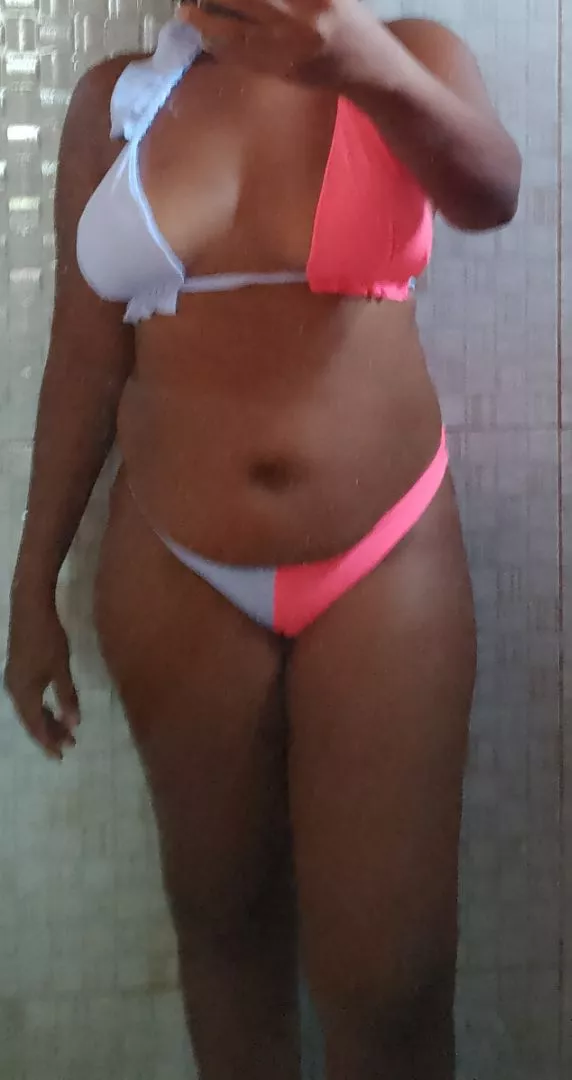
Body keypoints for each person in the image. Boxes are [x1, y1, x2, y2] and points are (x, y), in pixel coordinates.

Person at [5, 0, 521, 1076]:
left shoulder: (413, 55)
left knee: (391, 981)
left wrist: (367, 65)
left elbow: (492, 193)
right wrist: (31, 584)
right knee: (223, 934)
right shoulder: (116, 101)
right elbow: (86, 355)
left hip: (383, 558)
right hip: (174, 561)